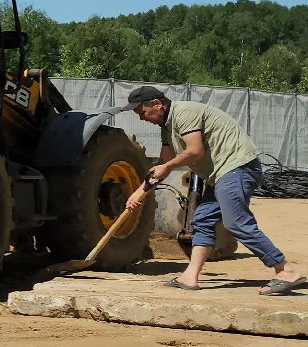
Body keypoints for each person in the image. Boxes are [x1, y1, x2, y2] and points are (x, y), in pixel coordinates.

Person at [123, 85, 304, 294]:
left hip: (236, 167)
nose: (141, 118)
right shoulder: (167, 127)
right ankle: (190, 277)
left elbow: (194, 151)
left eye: (142, 112)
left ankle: (285, 270)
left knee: (235, 222)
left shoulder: (184, 113)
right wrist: (138, 193)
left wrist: (167, 166)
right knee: (202, 220)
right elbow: (162, 167)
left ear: (157, 104)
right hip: (217, 174)